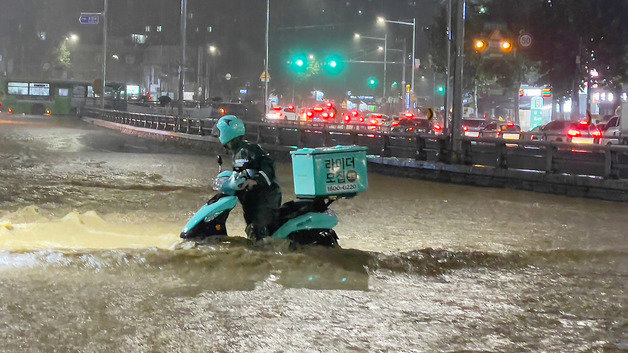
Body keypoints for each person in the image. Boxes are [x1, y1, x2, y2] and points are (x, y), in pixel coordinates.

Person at [214, 115, 282, 240]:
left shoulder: (251, 149)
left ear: (226, 133)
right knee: (251, 228)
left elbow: (269, 167)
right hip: (252, 199)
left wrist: (255, 181)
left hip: (265, 198)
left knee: (258, 231)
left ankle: (266, 253)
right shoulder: (237, 153)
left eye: (220, 133)